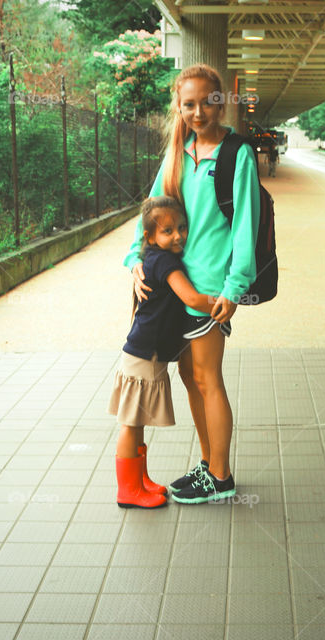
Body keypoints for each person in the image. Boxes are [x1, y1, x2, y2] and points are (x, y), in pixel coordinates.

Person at [123, 63, 259, 505]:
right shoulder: (178, 153)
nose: (199, 112)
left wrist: (234, 289)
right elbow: (154, 210)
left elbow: (246, 228)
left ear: (221, 102)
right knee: (188, 375)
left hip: (210, 294)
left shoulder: (237, 153)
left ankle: (220, 476)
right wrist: (134, 258)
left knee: (207, 378)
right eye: (189, 104)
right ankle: (210, 463)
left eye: (207, 102)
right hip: (176, 290)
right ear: (178, 107)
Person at [110, 196, 215, 509]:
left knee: (137, 421)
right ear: (150, 237)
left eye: (181, 227)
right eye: (168, 231)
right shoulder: (164, 262)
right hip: (144, 354)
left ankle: (139, 480)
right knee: (131, 423)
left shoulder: (154, 257)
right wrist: (223, 302)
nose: (178, 235)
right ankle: (127, 489)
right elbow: (192, 298)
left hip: (145, 353)